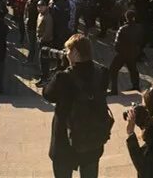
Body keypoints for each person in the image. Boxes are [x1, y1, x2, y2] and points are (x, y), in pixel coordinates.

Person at [43, 34, 112, 178]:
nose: (66, 54)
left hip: (65, 139)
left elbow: (48, 94)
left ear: (75, 53)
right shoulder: (102, 73)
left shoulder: (63, 77)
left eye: (68, 50)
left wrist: (61, 68)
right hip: (92, 136)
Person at [109, 10, 143, 95]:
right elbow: (141, 41)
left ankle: (114, 90)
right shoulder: (139, 28)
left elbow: (116, 43)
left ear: (126, 18)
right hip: (133, 52)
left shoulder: (122, 29)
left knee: (113, 70)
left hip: (122, 53)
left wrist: (119, 51)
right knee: (133, 69)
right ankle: (136, 86)